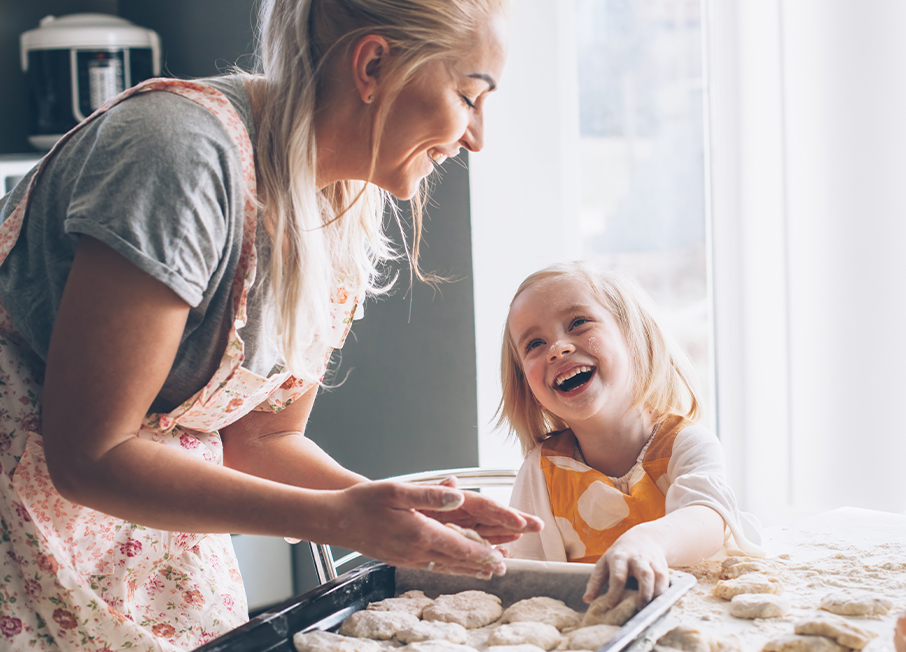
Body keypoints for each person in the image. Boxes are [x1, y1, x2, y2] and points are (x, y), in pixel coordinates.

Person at [0, 0, 542, 649]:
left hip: (147, 535)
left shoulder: (344, 201)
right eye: (468, 95)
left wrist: (390, 511)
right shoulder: (178, 158)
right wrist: (337, 520)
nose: (477, 137)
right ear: (372, 64)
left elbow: (264, 437)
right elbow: (91, 456)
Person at [496, 261, 763, 608]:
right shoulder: (541, 472)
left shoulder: (686, 444)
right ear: (529, 388)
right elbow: (529, 580)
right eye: (534, 343)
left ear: (633, 339)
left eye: (578, 323)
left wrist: (647, 541)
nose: (558, 348)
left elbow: (708, 516)